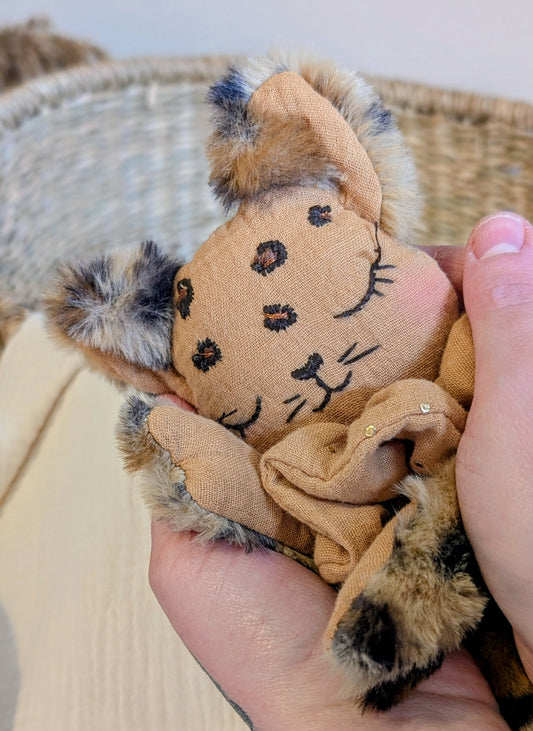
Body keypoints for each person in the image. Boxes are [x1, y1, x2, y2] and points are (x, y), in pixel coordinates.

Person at [149, 212, 533, 730]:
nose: (314, 362)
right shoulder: (296, 472)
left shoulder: (478, 380)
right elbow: (253, 501)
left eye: (362, 295)